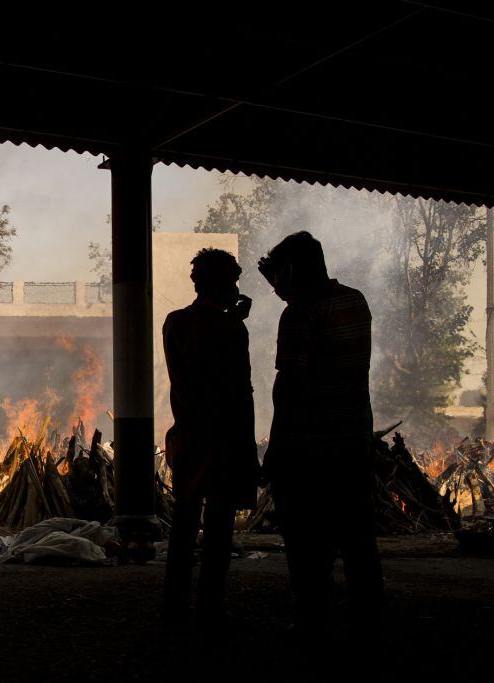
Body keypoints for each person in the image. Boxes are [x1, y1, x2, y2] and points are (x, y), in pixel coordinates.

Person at [258, 230, 383, 639]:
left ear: (291, 270)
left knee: (307, 542)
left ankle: (313, 620)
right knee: (357, 538)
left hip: (309, 449)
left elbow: (290, 385)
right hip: (353, 440)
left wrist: (275, 449)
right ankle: (368, 619)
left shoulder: (299, 311)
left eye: (277, 277)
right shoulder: (356, 301)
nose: (275, 288)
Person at [162, 247, 259, 622]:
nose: (235, 287)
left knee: (185, 522)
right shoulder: (228, 327)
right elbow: (232, 385)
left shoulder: (174, 322)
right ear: (219, 283)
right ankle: (209, 606)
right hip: (222, 439)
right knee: (218, 526)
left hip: (187, 436)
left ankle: (175, 602)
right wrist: (234, 322)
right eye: (232, 280)